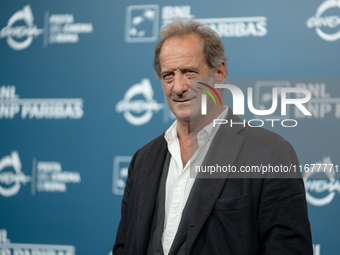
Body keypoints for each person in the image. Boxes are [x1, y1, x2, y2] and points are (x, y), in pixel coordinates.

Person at [113, 18, 312, 255]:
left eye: (190, 72)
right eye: (168, 75)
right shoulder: (143, 159)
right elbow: (125, 247)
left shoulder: (270, 153)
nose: (178, 87)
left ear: (219, 72)